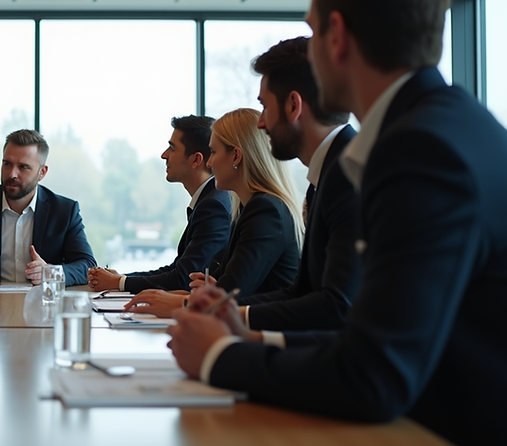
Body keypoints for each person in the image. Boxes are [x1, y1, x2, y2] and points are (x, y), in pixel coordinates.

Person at [167, 0, 507, 446]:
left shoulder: (417, 150)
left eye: (311, 31)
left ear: (338, 37)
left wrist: (220, 356)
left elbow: (374, 373)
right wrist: (246, 333)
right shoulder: (458, 124)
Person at [234, 36, 361, 331]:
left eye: (264, 107)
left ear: (293, 106)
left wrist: (233, 319)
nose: (261, 123)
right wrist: (222, 311)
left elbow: (338, 305)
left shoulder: (350, 175)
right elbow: (302, 292)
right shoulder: (330, 172)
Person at [125, 108, 303, 315]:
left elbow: (229, 295)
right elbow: (220, 287)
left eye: (215, 152)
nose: (209, 163)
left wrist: (185, 301)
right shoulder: (248, 208)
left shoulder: (265, 210)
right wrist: (208, 290)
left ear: (236, 156)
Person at [87, 115, 232, 293]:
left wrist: (119, 282)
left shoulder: (213, 206)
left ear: (196, 160)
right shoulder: (209, 200)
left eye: (172, 148)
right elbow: (175, 269)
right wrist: (120, 279)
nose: (164, 155)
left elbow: (182, 278)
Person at [0, 129, 96, 286]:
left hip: (43, 306)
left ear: (42, 172)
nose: (12, 174)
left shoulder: (64, 211)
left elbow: (87, 266)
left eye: (23, 167)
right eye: (7, 164)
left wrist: (50, 273)